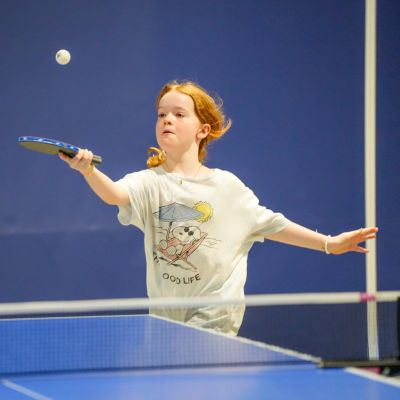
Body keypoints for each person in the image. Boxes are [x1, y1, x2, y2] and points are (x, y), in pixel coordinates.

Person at [59, 80, 378, 336]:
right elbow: (115, 194)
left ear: (203, 130)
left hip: (214, 318)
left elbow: (273, 223)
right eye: (161, 114)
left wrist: (328, 243)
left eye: (179, 114)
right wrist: (88, 170)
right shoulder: (148, 183)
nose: (167, 119)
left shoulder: (227, 188)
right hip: (165, 321)